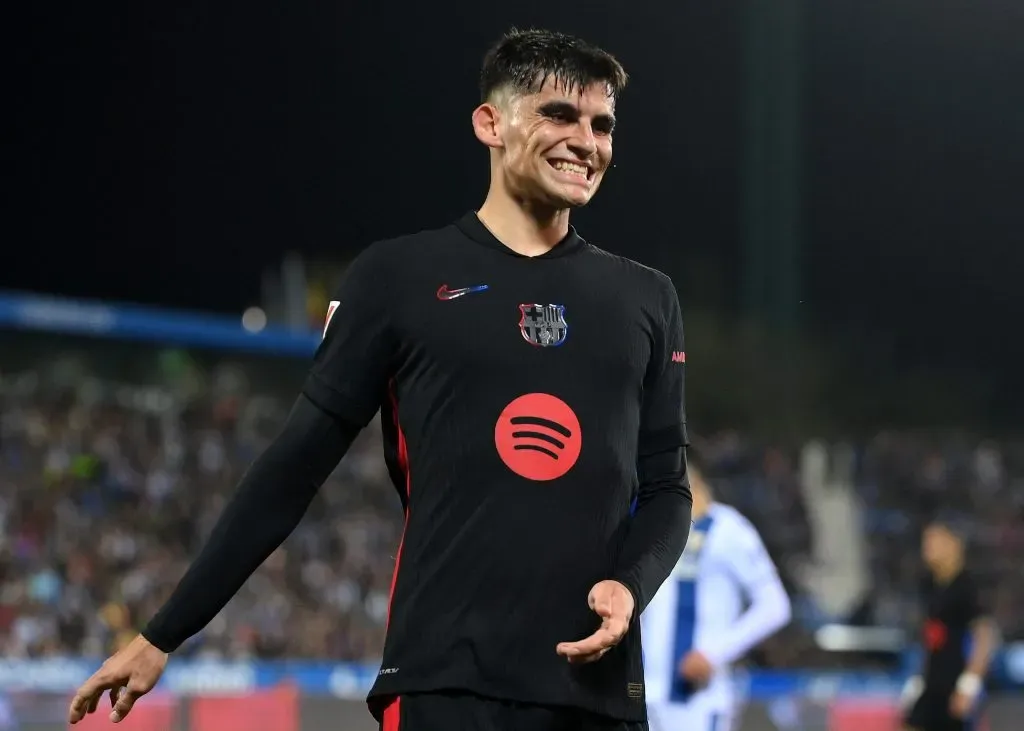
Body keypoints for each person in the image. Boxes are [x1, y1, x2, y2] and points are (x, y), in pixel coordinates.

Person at [68, 28, 694, 731]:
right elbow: (292, 469)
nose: (587, 141)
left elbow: (667, 488)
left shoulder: (646, 299)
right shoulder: (397, 278)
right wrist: (163, 633)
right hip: (444, 682)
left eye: (602, 125)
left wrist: (630, 586)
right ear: (491, 122)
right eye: (559, 114)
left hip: (597, 693)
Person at [642, 451, 791, 731]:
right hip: (646, 697)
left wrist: (714, 653)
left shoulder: (729, 530)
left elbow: (775, 605)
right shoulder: (654, 530)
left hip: (696, 700)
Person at [901, 519, 996, 731]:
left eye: (934, 541)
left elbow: (984, 638)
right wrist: (918, 679)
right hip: (931, 683)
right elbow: (928, 638)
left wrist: (969, 685)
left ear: (954, 544)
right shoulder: (928, 585)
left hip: (954, 686)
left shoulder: (969, 587)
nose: (927, 548)